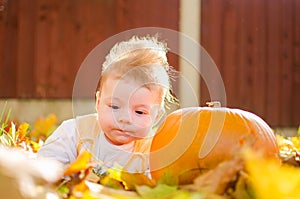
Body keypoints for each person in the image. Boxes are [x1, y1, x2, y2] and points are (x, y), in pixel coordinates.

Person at [38, 36, 177, 174]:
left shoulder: (153, 153)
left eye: (139, 112)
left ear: (156, 116)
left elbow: (156, 184)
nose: (124, 119)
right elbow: (46, 163)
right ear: (98, 103)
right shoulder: (75, 132)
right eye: (115, 106)